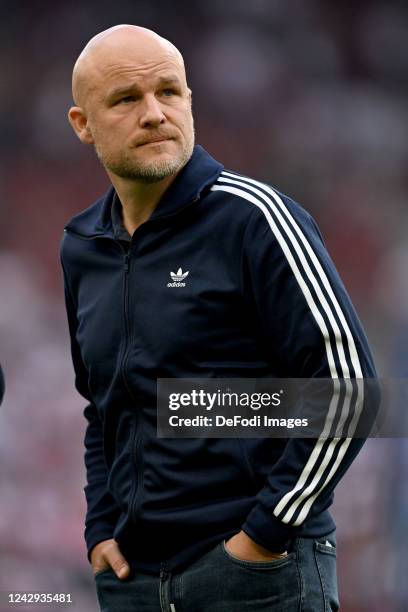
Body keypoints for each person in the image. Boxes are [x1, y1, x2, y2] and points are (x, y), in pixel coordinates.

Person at [62, 24, 376, 612]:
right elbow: (102, 405)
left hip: (256, 578)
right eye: (127, 100)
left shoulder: (256, 218)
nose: (154, 114)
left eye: (169, 92)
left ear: (189, 100)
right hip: (130, 582)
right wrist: (100, 529)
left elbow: (350, 389)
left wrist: (262, 535)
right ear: (83, 124)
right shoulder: (82, 246)